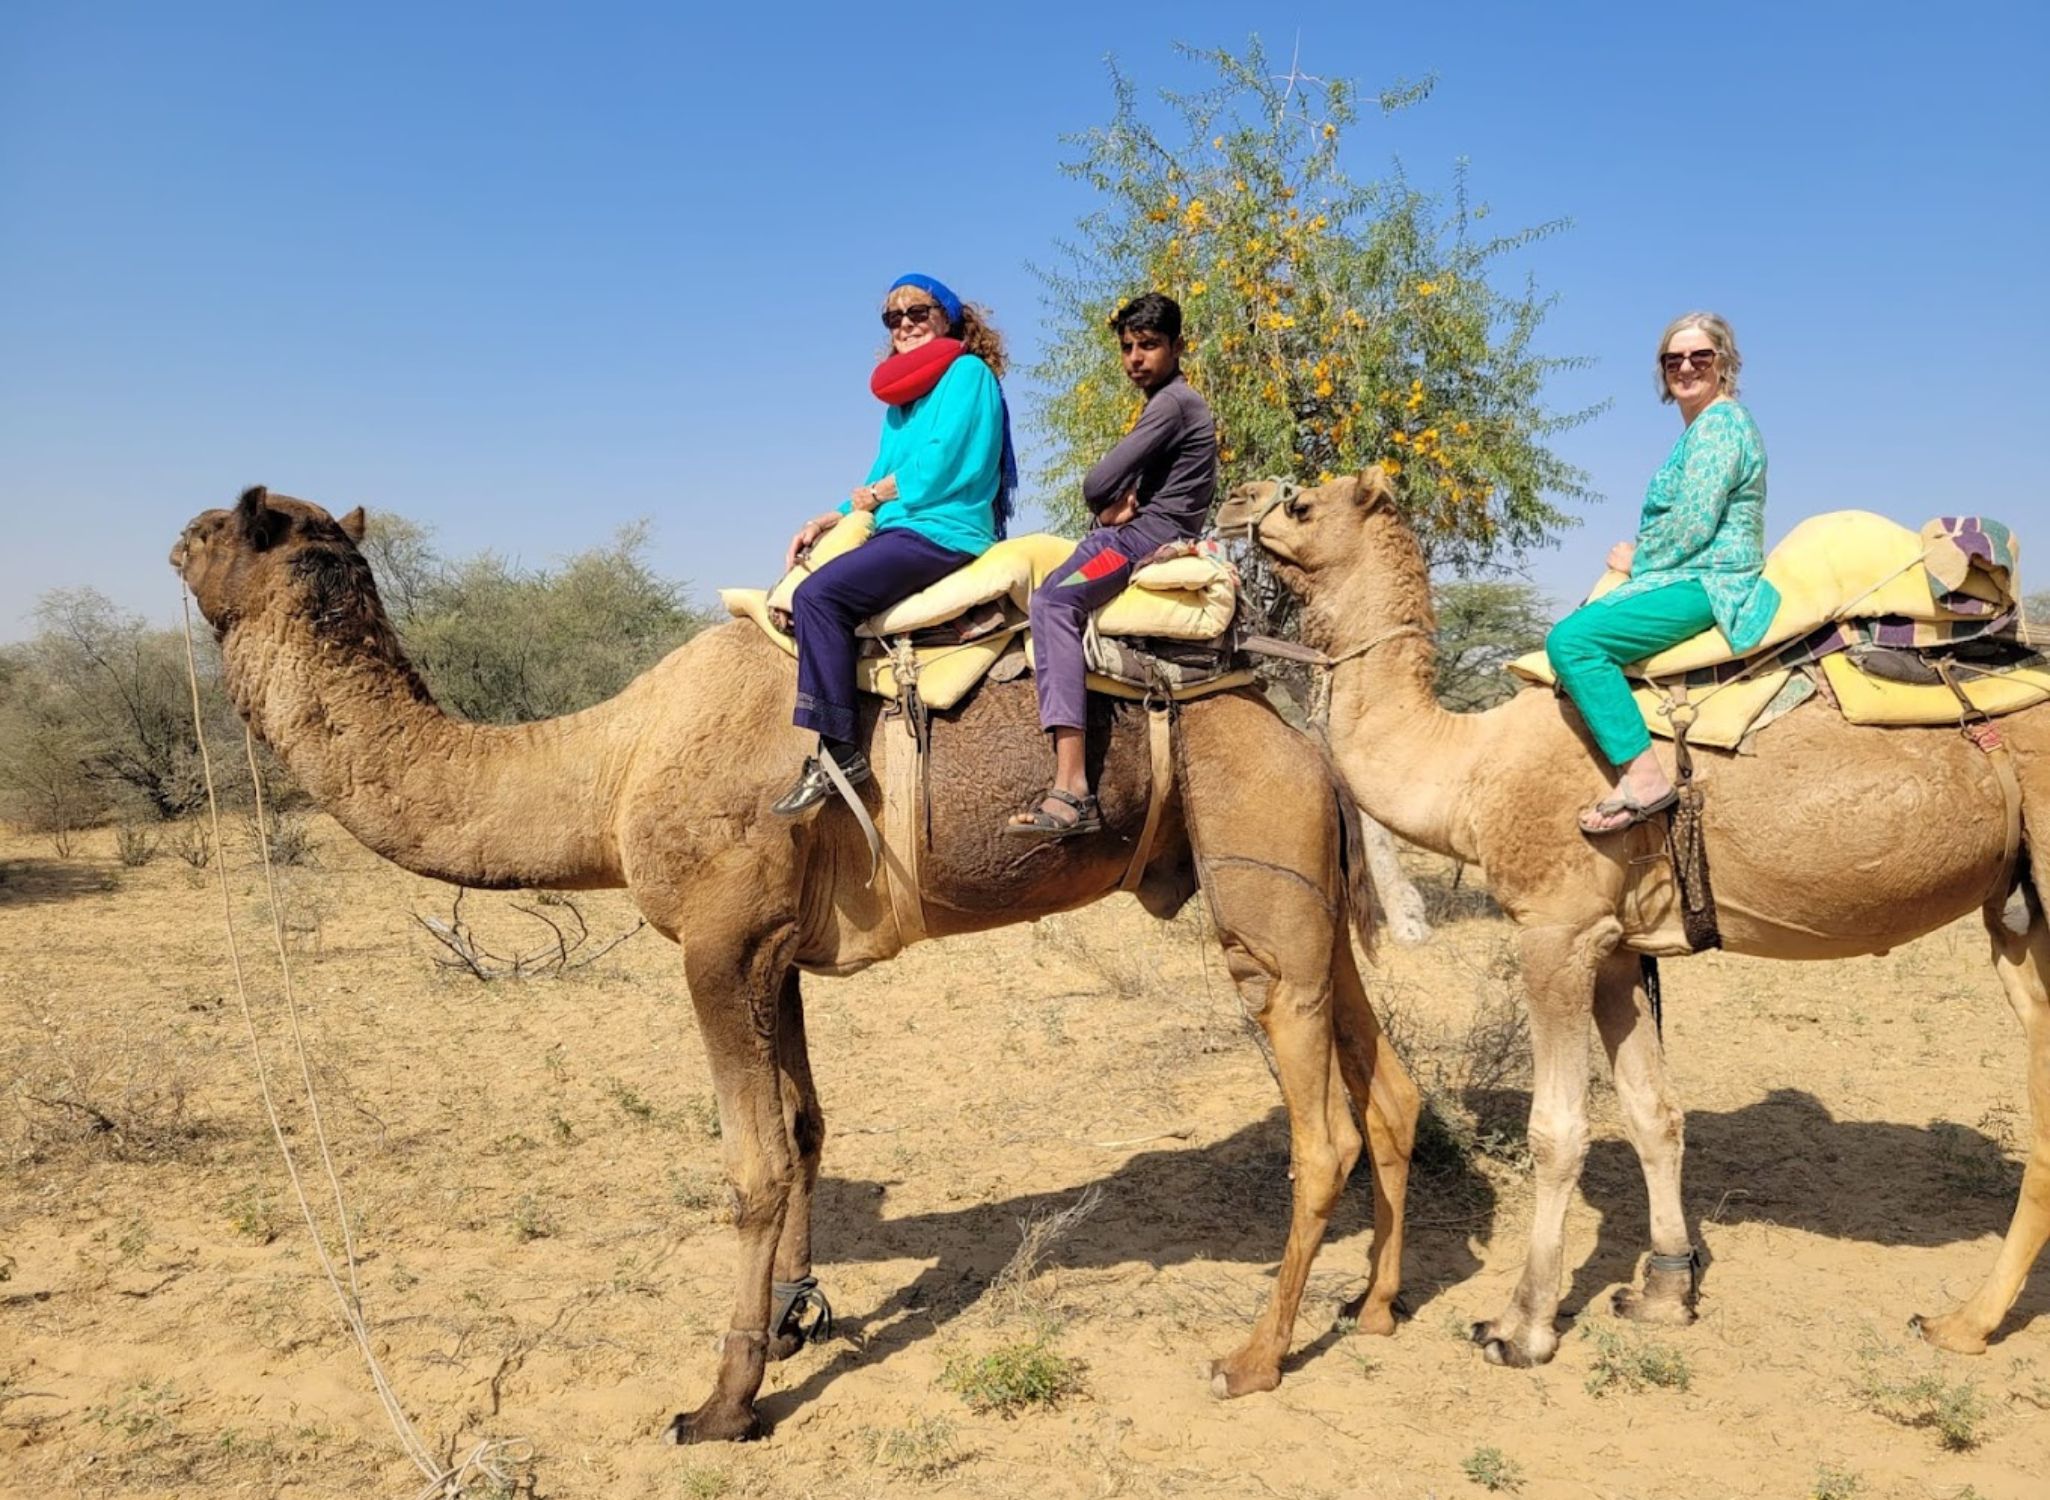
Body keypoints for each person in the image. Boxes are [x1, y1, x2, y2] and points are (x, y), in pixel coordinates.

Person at [772, 273, 1016, 816]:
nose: (904, 323)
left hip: (944, 531)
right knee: (799, 586)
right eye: (892, 317)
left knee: (820, 597)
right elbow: (876, 479)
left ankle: (838, 754)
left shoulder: (967, 374)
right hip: (901, 527)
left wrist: (878, 494)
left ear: (947, 318)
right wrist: (827, 518)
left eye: (917, 312)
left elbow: (944, 462)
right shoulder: (900, 406)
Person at [1546, 310, 1780, 836]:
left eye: (1700, 356)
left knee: (1573, 643)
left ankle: (1645, 776)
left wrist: (1638, 562)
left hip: (1709, 578)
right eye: (1673, 359)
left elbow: (1695, 521)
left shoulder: (1720, 426)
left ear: (1725, 362)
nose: (1686, 367)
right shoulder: (1703, 429)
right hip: (1690, 571)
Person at [1006, 292, 1217, 838]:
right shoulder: (1172, 404)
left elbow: (1095, 483)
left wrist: (1111, 501)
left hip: (1138, 541)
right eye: (1127, 348)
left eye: (1148, 346)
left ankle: (1072, 787)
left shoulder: (1173, 405)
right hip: (1138, 530)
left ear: (1177, 347)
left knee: (1052, 601)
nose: (1135, 358)